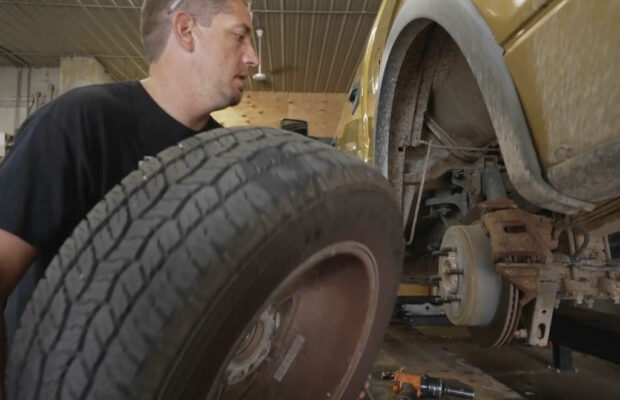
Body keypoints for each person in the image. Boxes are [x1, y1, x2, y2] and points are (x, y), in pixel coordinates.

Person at [0, 0, 257, 396]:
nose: (253, 58)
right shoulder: (78, 124)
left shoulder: (229, 156)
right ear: (186, 30)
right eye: (239, 36)